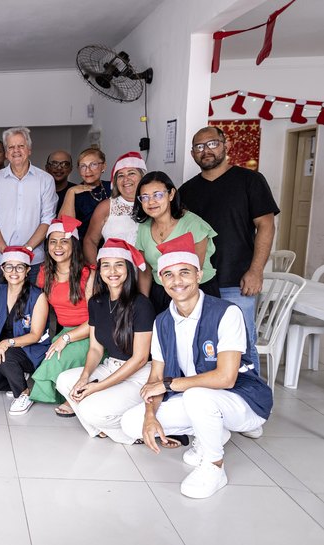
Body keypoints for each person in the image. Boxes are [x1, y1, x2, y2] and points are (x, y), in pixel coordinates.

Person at [120, 233, 273, 499]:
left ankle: (214, 465)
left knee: (197, 396)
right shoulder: (162, 322)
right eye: (168, 274)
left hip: (243, 400)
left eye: (184, 273)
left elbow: (226, 378)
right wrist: (149, 415)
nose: (177, 281)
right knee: (131, 423)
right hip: (196, 399)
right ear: (161, 280)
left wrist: (170, 384)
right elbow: (156, 375)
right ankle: (212, 431)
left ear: (199, 274)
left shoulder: (226, 312)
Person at [179, 126, 279, 373]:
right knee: (204, 343)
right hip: (198, 282)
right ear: (193, 154)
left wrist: (256, 271)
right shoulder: (186, 191)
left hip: (237, 280)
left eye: (212, 144)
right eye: (199, 147)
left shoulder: (250, 181)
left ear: (226, 145)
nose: (206, 151)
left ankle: (251, 398)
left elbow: (266, 226)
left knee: (243, 344)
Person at [55, 239, 154, 443]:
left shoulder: (141, 304)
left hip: (139, 375)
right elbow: (95, 349)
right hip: (110, 366)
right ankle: (103, 428)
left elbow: (140, 358)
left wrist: (97, 387)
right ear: (99, 271)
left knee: (90, 408)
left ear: (128, 269)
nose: (112, 271)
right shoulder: (97, 302)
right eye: (106, 265)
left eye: (119, 264)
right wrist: (85, 377)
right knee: (65, 381)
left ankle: (129, 433)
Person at [0, 246, 50, 415]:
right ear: (2, 268)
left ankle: (23, 393)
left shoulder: (38, 296)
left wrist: (7, 343)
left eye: (19, 267)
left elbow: (35, 335)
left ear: (27, 270)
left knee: (6, 354)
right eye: (9, 266)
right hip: (4, 349)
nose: (14, 272)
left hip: (30, 350)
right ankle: (16, 376)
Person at [30, 216, 95, 414]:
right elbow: (33, 303)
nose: (58, 246)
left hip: (89, 333)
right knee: (46, 358)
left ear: (73, 245)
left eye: (64, 241)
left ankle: (74, 396)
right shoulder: (44, 273)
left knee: (54, 361)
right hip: (62, 331)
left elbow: (96, 320)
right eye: (53, 241)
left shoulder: (89, 275)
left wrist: (67, 338)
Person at [133, 171, 219, 313]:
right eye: (145, 197)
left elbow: (193, 270)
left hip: (195, 291)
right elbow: (145, 270)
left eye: (158, 195)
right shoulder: (144, 227)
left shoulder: (193, 224)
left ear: (171, 194)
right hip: (160, 291)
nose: (151, 202)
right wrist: (144, 302)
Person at [0, 126, 56, 285]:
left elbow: (48, 219)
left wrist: (27, 249)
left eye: (21, 146)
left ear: (29, 149)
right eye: (11, 147)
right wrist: (4, 249)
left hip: (34, 260)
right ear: (6, 153)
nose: (16, 150)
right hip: (0, 259)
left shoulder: (45, 180)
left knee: (35, 307)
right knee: (1, 307)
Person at [81, 152, 147, 264]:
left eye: (131, 173)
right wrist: (97, 272)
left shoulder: (152, 204)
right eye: (120, 175)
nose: (126, 179)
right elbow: (90, 241)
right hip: (113, 275)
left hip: (148, 275)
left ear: (142, 177)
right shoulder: (106, 206)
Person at [59, 148, 110, 240]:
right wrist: (70, 192)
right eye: (83, 166)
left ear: (104, 166)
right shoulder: (74, 193)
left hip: (112, 245)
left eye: (93, 164)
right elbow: (65, 228)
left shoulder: (112, 187)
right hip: (81, 247)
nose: (88, 170)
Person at [45, 150, 76, 215]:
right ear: (47, 168)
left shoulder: (77, 193)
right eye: (54, 164)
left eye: (65, 164)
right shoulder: (38, 191)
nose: (59, 168)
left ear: (71, 169)